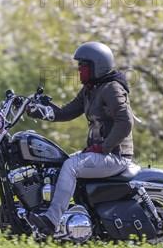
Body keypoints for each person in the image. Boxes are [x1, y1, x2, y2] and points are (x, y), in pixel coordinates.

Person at [26, 41, 134, 235]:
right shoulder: (90, 90)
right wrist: (36, 111)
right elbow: (66, 112)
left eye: (83, 65)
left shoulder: (112, 88)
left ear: (96, 66)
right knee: (59, 164)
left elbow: (125, 122)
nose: (79, 70)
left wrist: (104, 147)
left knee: (71, 166)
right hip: (101, 153)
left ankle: (51, 221)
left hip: (116, 156)